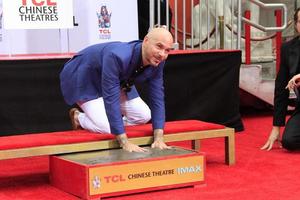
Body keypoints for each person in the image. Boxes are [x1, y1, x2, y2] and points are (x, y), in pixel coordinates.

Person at [60, 26, 174, 153]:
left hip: (116, 80)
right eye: (159, 46)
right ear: (146, 41)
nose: (162, 54)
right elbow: (111, 97)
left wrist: (159, 138)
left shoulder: (158, 60)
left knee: (143, 115)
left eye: (167, 50)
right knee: (107, 127)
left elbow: (157, 96)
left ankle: (104, 119)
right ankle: (78, 118)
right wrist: (124, 141)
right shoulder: (118, 56)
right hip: (84, 75)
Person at [261, 8, 300, 151]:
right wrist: (276, 127)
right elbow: (281, 88)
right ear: (296, 25)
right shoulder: (288, 48)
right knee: (289, 141)